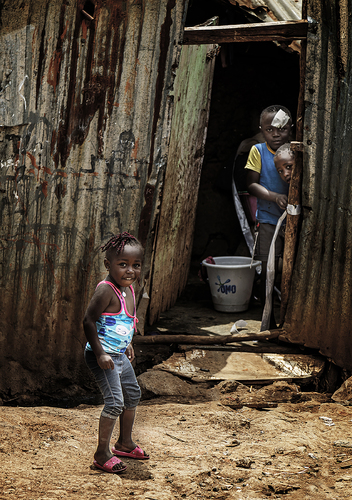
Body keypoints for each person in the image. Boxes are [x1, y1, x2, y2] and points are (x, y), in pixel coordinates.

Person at [83, 232, 149, 474]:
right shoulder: (106, 290)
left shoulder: (130, 289)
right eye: (123, 265)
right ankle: (101, 454)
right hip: (102, 357)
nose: (130, 270)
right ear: (107, 265)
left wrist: (128, 343)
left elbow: (125, 322)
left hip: (119, 355)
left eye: (136, 265)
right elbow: (89, 321)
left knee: (132, 395)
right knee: (115, 403)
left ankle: (124, 443)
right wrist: (100, 354)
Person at [245, 105, 293, 329]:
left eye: (281, 129)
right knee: (267, 269)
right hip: (268, 220)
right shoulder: (258, 151)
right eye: (269, 129)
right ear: (261, 130)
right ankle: (268, 319)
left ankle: (289, 319)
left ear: (291, 128)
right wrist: (274, 197)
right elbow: (251, 184)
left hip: (293, 221)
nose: (275, 134)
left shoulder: (294, 152)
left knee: (290, 269)